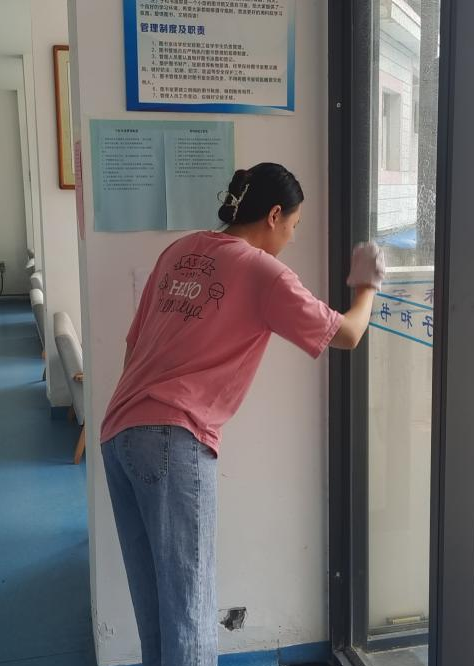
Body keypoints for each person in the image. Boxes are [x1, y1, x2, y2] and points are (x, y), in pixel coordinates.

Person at [99, 162, 384, 665]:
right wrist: (366, 286)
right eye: (293, 225)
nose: (291, 238)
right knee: (189, 611)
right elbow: (347, 334)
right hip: (174, 437)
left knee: (156, 610)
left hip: (119, 431)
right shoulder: (262, 271)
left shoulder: (180, 251)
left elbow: (133, 344)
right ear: (274, 215)